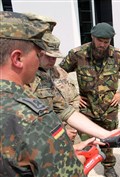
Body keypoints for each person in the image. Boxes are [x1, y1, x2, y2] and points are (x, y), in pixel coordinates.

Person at [0, 11, 87, 176]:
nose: (40, 60)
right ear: (18, 58)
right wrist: (76, 161)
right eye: (38, 54)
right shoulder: (32, 117)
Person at [59, 22, 120, 177]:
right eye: (100, 40)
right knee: (88, 141)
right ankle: (83, 167)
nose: (103, 45)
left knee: (108, 138)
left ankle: (108, 167)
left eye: (106, 42)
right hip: (87, 108)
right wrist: (73, 95)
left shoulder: (118, 55)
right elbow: (59, 72)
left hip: (109, 108)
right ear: (92, 37)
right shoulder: (78, 54)